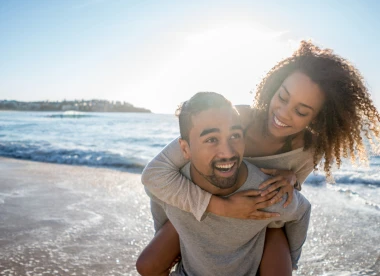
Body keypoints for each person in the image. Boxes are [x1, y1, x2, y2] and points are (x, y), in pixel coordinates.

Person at [138, 41, 380, 275]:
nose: (283, 114)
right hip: (203, 205)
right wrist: (221, 207)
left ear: (316, 118)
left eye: (301, 111)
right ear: (273, 87)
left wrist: (292, 179)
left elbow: (290, 200)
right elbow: (156, 173)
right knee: (148, 265)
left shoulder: (308, 151)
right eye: (283, 97)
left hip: (258, 222)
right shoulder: (234, 119)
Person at [138, 92, 312, 276]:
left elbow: (301, 211)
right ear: (185, 149)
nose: (227, 152)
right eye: (211, 139)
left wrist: (290, 260)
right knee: (145, 266)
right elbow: (155, 193)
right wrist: (176, 236)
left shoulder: (262, 191)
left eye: (235, 135)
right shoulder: (174, 184)